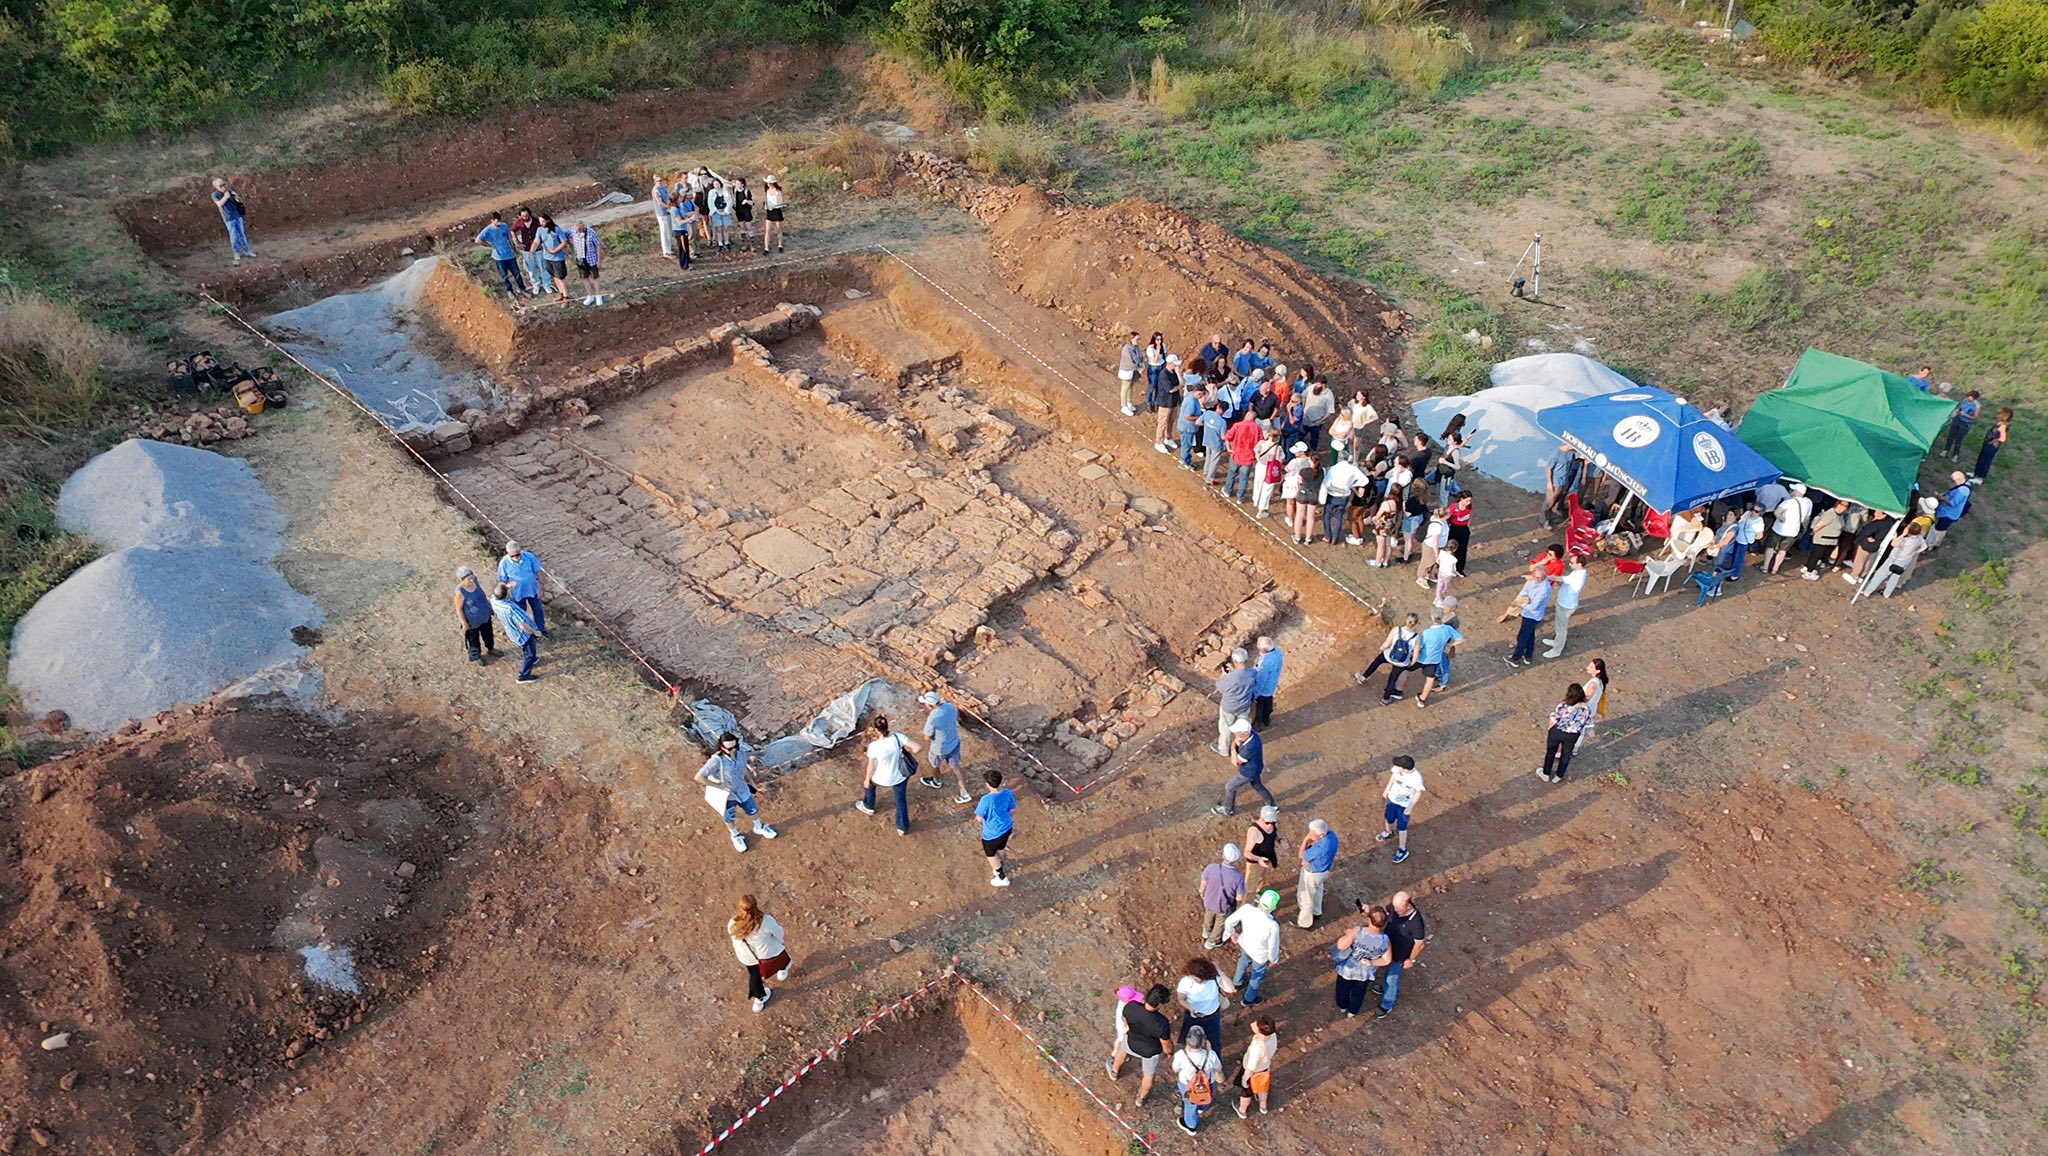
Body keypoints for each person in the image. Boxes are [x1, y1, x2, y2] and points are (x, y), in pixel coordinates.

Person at [695, 732, 779, 852]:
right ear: (722, 747)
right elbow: (699, 777)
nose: (733, 750)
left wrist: (751, 782)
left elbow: (743, 767)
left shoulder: (740, 753)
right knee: (729, 816)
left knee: (752, 808)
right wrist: (718, 785)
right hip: (727, 794)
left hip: (741, 788)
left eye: (736, 746)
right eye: (730, 748)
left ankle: (759, 827)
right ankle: (735, 835)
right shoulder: (716, 761)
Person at [1106, 984, 1175, 1108]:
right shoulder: (1161, 1023)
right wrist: (1170, 1053)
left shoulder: (1131, 1007)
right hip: (1150, 1052)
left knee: (1122, 1052)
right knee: (1148, 1076)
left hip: (1131, 1041)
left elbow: (1125, 1020)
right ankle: (1141, 1099)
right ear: (1159, 1005)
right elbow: (1166, 1046)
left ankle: (1114, 1072)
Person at [728, 894, 792, 1013]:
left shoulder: (732, 923)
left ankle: (759, 999)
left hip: (747, 957)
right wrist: (780, 942)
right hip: (767, 954)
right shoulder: (766, 921)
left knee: (754, 976)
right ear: (756, 906)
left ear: (740, 908)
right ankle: (782, 971)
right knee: (784, 959)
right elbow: (778, 932)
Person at [857, 714, 918, 835]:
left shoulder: (874, 746)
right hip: (899, 776)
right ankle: (902, 827)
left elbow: (871, 766)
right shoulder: (897, 737)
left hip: (881, 778)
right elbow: (917, 748)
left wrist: (866, 780)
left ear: (875, 729)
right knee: (901, 799)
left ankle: (869, 806)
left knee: (870, 784)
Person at [1222, 889, 1282, 1005]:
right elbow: (1273, 946)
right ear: (1273, 907)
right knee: (1257, 975)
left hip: (1245, 944)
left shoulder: (1247, 909)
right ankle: (1248, 999)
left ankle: (1237, 982)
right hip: (1260, 956)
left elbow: (1229, 921)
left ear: (1259, 901)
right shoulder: (1272, 926)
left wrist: (1231, 933)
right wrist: (1273, 959)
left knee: (1243, 960)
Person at [1333, 904, 1393, 1018]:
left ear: (1369, 919)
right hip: (1365, 971)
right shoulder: (1385, 940)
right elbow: (1386, 960)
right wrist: (1371, 962)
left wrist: (1348, 934)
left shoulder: (1358, 931)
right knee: (1359, 992)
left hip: (1348, 968)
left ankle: (1342, 1006)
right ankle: (1352, 1011)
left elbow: (1340, 945)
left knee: (1342, 988)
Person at [1376, 891, 1428, 1018]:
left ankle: (1387, 1004)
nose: (1395, 909)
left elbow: (1419, 944)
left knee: (1391, 978)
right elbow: (1385, 912)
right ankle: (1383, 988)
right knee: (1386, 971)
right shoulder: (1395, 908)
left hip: (1399, 956)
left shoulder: (1416, 923)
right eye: (1394, 906)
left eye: (1398, 908)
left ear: (1408, 906)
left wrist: (1411, 959)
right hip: (1386, 948)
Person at [916, 689, 972, 804]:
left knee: (935, 764)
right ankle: (964, 792)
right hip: (954, 742)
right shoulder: (950, 707)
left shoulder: (933, 718)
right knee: (955, 767)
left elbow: (926, 737)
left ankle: (936, 781)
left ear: (930, 705)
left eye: (925, 704)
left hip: (939, 748)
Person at [1354, 612, 1421, 705]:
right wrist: (1410, 663)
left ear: (1406, 620)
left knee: (1377, 662)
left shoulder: (1396, 629)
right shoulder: (1416, 637)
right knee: (1392, 679)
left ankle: (1363, 677)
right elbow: (1416, 655)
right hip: (1402, 661)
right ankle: (1385, 699)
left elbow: (1387, 644)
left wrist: (1381, 649)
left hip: (1389, 655)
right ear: (1416, 623)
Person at [1213, 719, 1272, 817]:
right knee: (1257, 785)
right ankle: (1272, 805)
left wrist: (1233, 748)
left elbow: (1235, 762)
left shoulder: (1249, 747)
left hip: (1247, 773)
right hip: (1256, 768)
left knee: (1230, 787)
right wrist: (1237, 741)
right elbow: (1237, 740)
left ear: (1244, 733)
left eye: (1237, 732)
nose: (1235, 734)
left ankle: (1228, 810)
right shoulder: (1252, 735)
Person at [1172, 1024, 1224, 1136]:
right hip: (1206, 1083)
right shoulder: (1211, 1055)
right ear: (1204, 1041)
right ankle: (1202, 1106)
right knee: (1209, 1094)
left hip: (1187, 1084)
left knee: (1190, 1103)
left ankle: (1191, 1126)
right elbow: (1218, 1068)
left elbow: (1175, 1069)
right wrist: (1210, 1050)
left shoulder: (1181, 1055)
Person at [487, 582, 541, 684]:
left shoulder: (494, 600)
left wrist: (506, 587)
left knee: (527, 650)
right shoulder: (511, 609)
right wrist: (534, 632)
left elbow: (497, 592)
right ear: (506, 594)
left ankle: (532, 660)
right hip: (522, 634)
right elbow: (522, 626)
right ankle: (523, 676)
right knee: (529, 653)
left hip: (511, 631)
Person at [1538, 683, 1594, 783]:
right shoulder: (1586, 708)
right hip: (1573, 735)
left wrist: (1550, 730)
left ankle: (1546, 773)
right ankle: (1558, 776)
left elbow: (1554, 718)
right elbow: (1586, 721)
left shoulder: (1564, 705)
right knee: (1566, 755)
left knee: (1551, 752)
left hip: (1558, 732)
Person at [1500, 563, 1552, 668]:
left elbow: (1533, 607)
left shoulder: (1544, 590)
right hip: (1529, 615)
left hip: (1532, 616)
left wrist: (1520, 604)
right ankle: (1528, 655)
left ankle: (1516, 658)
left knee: (1522, 637)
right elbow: (1525, 591)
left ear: (1545, 576)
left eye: (1541, 578)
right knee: (1530, 635)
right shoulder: (1534, 581)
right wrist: (1524, 597)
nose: (1538, 579)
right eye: (1536, 577)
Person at [1174, 957, 1232, 1051]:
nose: (1198, 980)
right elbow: (1181, 998)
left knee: (1213, 1041)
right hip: (1193, 1015)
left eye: (1201, 978)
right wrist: (1190, 1008)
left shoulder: (1214, 979)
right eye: (1194, 977)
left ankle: (1214, 1058)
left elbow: (1230, 989)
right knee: (1188, 1038)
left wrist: (1219, 971)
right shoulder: (1185, 982)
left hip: (1212, 1015)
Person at [1377, 756, 1423, 865]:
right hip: (1392, 800)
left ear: (1405, 769)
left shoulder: (1416, 778)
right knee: (1388, 818)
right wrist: (1387, 788)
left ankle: (1402, 849)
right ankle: (1388, 832)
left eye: (1398, 765)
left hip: (1404, 805)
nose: (1396, 766)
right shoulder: (1397, 769)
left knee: (1402, 827)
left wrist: (1411, 806)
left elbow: (1418, 792)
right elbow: (1393, 776)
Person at [1413, 606, 1462, 708]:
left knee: (1405, 669)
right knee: (1430, 679)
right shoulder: (1448, 629)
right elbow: (1461, 639)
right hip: (1435, 660)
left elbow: (1420, 646)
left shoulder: (1427, 632)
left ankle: (1397, 688)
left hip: (1422, 658)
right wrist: (1449, 645)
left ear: (1432, 618)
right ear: (1442, 616)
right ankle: (1422, 699)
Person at [1542, 552, 1588, 658]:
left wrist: (1546, 576)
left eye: (1572, 563)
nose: (1570, 564)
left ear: (1579, 564)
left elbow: (1561, 579)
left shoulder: (1578, 575)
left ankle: (1557, 650)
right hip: (1563, 602)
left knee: (1561, 628)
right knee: (1559, 625)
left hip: (1566, 605)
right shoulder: (1578, 572)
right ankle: (1557, 642)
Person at [1200, 844, 1246, 949]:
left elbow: (1203, 883)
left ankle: (1206, 931)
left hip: (1208, 901)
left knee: (1209, 914)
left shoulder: (1211, 867)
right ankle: (1211, 941)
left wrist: (1202, 892)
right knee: (1220, 923)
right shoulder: (1238, 877)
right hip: (1223, 906)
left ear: (1223, 855)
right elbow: (1239, 898)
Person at [974, 769, 1016, 887]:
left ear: (987, 784)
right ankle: (1000, 863)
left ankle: (1001, 876)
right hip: (1007, 827)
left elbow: (979, 818)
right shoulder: (1007, 793)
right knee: (1001, 847)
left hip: (991, 833)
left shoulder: (986, 800)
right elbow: (1012, 810)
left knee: (991, 854)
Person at [474, 211, 529, 298]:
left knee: (517, 273)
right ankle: (509, 290)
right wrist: (489, 245)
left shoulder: (504, 226)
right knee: (504, 275)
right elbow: (477, 240)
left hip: (509, 255)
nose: (498, 223)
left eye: (499, 220)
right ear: (492, 220)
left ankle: (522, 288)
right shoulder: (488, 230)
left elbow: (509, 238)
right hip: (499, 257)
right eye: (496, 221)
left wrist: (514, 249)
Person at [495, 540, 546, 635]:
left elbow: (539, 572)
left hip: (533, 590)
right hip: (517, 594)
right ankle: (527, 632)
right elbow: (501, 582)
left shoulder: (529, 557)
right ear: (508, 553)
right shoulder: (504, 563)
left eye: (517, 555)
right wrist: (507, 586)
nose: (515, 557)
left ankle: (541, 630)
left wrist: (541, 587)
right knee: (521, 614)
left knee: (538, 611)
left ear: (520, 551)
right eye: (512, 556)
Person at [1212, 648, 1256, 755]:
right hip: (1244, 706)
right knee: (1242, 727)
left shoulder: (1230, 679)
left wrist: (1224, 674)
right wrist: (1234, 671)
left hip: (1229, 708)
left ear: (1234, 661)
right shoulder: (1252, 673)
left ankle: (1223, 749)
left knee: (1226, 728)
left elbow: (1220, 687)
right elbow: (1242, 676)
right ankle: (1240, 746)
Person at [1296, 818, 1338, 929]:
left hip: (1312, 873)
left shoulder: (1320, 847)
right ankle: (1317, 911)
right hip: (1323, 871)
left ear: (1321, 835)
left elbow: (1301, 855)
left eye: (1312, 833)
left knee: (1306, 897)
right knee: (1318, 888)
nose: (1309, 834)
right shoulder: (1332, 836)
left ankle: (1305, 923)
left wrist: (1306, 840)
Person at [1234, 1017, 1278, 1118]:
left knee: (1246, 1091)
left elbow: (1251, 1067)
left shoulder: (1257, 1046)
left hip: (1253, 1072)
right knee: (1263, 1087)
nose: (1253, 1023)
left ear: (1260, 1030)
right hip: (1265, 1069)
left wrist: (1245, 1078)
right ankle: (1263, 1107)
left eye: (1256, 1023)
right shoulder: (1272, 1035)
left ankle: (1242, 1110)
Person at [1764, 483, 1813, 575]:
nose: (1791, 491)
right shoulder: (1808, 502)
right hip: (1793, 531)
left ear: (1797, 492)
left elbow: (1777, 512)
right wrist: (1804, 528)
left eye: (1793, 490)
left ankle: (1765, 567)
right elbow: (1806, 518)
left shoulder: (1788, 501)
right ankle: (1775, 568)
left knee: (1770, 547)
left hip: (1779, 529)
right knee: (1783, 550)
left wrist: (1780, 519)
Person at [452, 565, 498, 663]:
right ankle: (477, 656)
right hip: (472, 621)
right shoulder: (460, 592)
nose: (471, 581)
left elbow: (483, 594)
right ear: (461, 580)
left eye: (472, 577)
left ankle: (491, 648)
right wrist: (464, 623)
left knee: (488, 633)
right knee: (473, 639)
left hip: (484, 616)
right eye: (468, 579)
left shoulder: (475, 582)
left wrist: (489, 607)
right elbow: (458, 609)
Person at [1800, 500, 1850, 579]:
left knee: (1817, 554)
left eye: (1846, 506)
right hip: (1822, 538)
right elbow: (1819, 525)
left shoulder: (1840, 515)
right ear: (1837, 503)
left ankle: (1807, 567)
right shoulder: (1830, 513)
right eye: (1842, 504)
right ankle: (1809, 573)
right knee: (1817, 555)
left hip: (1830, 540)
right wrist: (1813, 533)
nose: (1843, 507)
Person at [1879, 522, 1929, 598]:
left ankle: (1885, 586)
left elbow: (1894, 544)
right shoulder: (1919, 538)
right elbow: (1924, 546)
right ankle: (1889, 591)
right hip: (1907, 558)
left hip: (1899, 558)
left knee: (1890, 572)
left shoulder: (1906, 539)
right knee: (1897, 575)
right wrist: (1916, 552)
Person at [210, 177, 255, 262]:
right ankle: (236, 252)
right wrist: (226, 197)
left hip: (237, 216)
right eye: (221, 186)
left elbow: (238, 202)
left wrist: (236, 197)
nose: (223, 187)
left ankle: (247, 250)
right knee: (233, 236)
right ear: (216, 187)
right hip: (229, 218)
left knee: (241, 234)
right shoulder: (215, 195)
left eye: (224, 185)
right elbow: (219, 204)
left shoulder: (230, 191)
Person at [1242, 806, 1281, 897]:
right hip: (1255, 863)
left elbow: (1274, 833)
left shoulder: (1272, 825)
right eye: (1267, 822)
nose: (1270, 825)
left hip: (1266, 860)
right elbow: (1246, 852)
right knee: (1250, 888)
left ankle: (1257, 892)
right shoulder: (1255, 832)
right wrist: (1259, 859)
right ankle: (1247, 903)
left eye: (1273, 823)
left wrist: (1280, 840)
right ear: (1261, 818)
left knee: (1262, 879)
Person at [1223, 409, 1262, 501]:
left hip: (1236, 455)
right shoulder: (1258, 429)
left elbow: (1227, 436)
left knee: (1231, 474)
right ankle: (1240, 497)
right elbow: (1261, 444)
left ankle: (1228, 490)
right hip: (1248, 458)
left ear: (1247, 416)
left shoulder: (1238, 425)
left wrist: (1228, 448)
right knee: (1244, 478)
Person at [1150, 354, 1186, 453]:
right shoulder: (1163, 374)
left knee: (1171, 420)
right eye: (1175, 364)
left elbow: (1182, 383)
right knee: (1162, 422)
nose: (1176, 366)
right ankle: (1158, 442)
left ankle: (1168, 437)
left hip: (1174, 401)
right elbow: (1170, 389)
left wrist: (1178, 374)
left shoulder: (1174, 372)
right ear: (1169, 364)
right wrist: (1179, 386)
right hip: (1165, 402)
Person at [1287, 445, 1322, 544]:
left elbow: (1300, 482)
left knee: (1299, 515)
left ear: (1310, 460)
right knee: (1311, 517)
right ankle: (1308, 538)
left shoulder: (1304, 471)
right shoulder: (1321, 472)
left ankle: (1297, 537)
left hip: (1303, 493)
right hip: (1314, 494)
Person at [1542, 443, 1583, 527]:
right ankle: (1543, 520)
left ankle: (1554, 517)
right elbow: (1548, 468)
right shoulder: (1556, 454)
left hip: (1564, 481)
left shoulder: (1571, 453)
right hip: (1555, 482)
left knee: (1558, 500)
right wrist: (1549, 483)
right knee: (1549, 502)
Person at [1929, 471, 1972, 550]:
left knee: (1940, 529)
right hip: (1946, 511)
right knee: (1939, 527)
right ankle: (1933, 541)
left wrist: (1942, 498)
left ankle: (1933, 544)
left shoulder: (1962, 491)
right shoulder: (1964, 485)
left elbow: (1952, 503)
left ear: (1958, 480)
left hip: (1949, 514)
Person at [512, 206, 549, 298]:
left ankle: (546, 284)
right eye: (523, 216)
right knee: (531, 269)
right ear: (520, 216)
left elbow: (545, 229)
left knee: (543, 267)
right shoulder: (519, 223)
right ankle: (536, 284)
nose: (525, 218)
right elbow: (512, 230)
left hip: (539, 249)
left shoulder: (537, 221)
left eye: (527, 215)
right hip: (526, 250)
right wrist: (517, 242)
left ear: (530, 214)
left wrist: (543, 242)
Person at [1250, 636, 1283, 731]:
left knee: (1259, 707)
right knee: (1268, 701)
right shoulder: (1277, 652)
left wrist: (1256, 693)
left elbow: (1261, 680)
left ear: (1263, 650)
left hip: (1264, 688)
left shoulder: (1266, 663)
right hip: (1272, 684)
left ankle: (1257, 725)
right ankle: (1266, 719)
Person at [570, 222, 604, 306]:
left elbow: (598, 245)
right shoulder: (572, 231)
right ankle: (590, 296)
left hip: (591, 259)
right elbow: (566, 238)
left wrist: (599, 259)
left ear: (583, 227)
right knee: (584, 278)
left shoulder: (591, 232)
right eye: (576, 229)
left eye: (579, 229)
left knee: (594, 278)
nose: (577, 231)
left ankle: (598, 295)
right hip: (580, 260)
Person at [538, 214, 571, 303]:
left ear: (548, 220)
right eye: (540, 222)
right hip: (547, 258)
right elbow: (537, 241)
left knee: (560, 277)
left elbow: (564, 242)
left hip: (557, 258)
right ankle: (560, 293)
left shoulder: (556, 229)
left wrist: (555, 250)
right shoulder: (540, 230)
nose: (541, 223)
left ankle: (566, 296)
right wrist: (531, 250)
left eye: (543, 221)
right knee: (554, 276)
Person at [1581, 658, 1610, 745]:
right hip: (1592, 708)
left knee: (1580, 729)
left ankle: (1575, 749)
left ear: (1597, 671)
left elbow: (1585, 698)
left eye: (1590, 667)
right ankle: (1592, 736)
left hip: (1585, 710)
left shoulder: (1593, 684)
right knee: (1588, 722)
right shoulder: (1601, 682)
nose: (1587, 667)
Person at [1944, 389, 1981, 458]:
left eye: (1971, 397)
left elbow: (1975, 417)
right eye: (1969, 396)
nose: (1969, 398)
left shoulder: (1977, 405)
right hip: (1958, 419)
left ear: (1975, 398)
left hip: (1965, 423)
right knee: (1950, 436)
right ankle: (1946, 450)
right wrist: (1956, 411)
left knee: (1959, 439)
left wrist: (1966, 415)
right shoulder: (1965, 400)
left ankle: (1955, 454)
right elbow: (1960, 408)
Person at [1116, 330, 1142, 416]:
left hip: (1133, 371)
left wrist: (1141, 364)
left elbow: (1139, 357)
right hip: (1127, 370)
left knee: (1130, 387)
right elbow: (1129, 362)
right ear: (1131, 339)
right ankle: (1123, 406)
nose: (1139, 341)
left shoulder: (1136, 347)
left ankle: (1129, 403)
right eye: (1137, 339)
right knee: (1125, 388)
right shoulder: (1126, 349)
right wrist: (1138, 368)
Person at [760, 175, 786, 253]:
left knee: (778, 229)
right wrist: (766, 206)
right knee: (767, 230)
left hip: (776, 211)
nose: (767, 184)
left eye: (769, 183)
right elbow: (766, 201)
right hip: (769, 212)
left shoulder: (778, 191)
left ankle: (780, 245)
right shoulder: (767, 191)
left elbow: (781, 203)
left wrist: (774, 206)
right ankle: (766, 248)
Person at [651, 173, 675, 257]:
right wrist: (668, 206)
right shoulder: (655, 191)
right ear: (654, 182)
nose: (659, 182)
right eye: (657, 181)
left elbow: (668, 197)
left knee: (669, 231)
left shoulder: (664, 188)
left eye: (660, 180)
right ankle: (665, 251)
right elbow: (660, 203)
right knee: (664, 232)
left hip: (667, 212)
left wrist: (669, 202)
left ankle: (669, 249)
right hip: (661, 213)